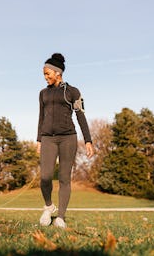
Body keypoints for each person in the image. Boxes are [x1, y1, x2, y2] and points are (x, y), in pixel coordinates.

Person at [37, 53, 94, 228]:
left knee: (64, 178)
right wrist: (39, 140)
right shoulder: (43, 94)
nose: (45, 77)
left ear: (58, 73)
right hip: (48, 138)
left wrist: (88, 140)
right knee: (45, 177)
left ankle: (61, 216)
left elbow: (81, 116)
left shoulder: (73, 92)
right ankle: (49, 206)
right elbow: (41, 116)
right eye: (44, 74)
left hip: (68, 138)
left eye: (48, 74)